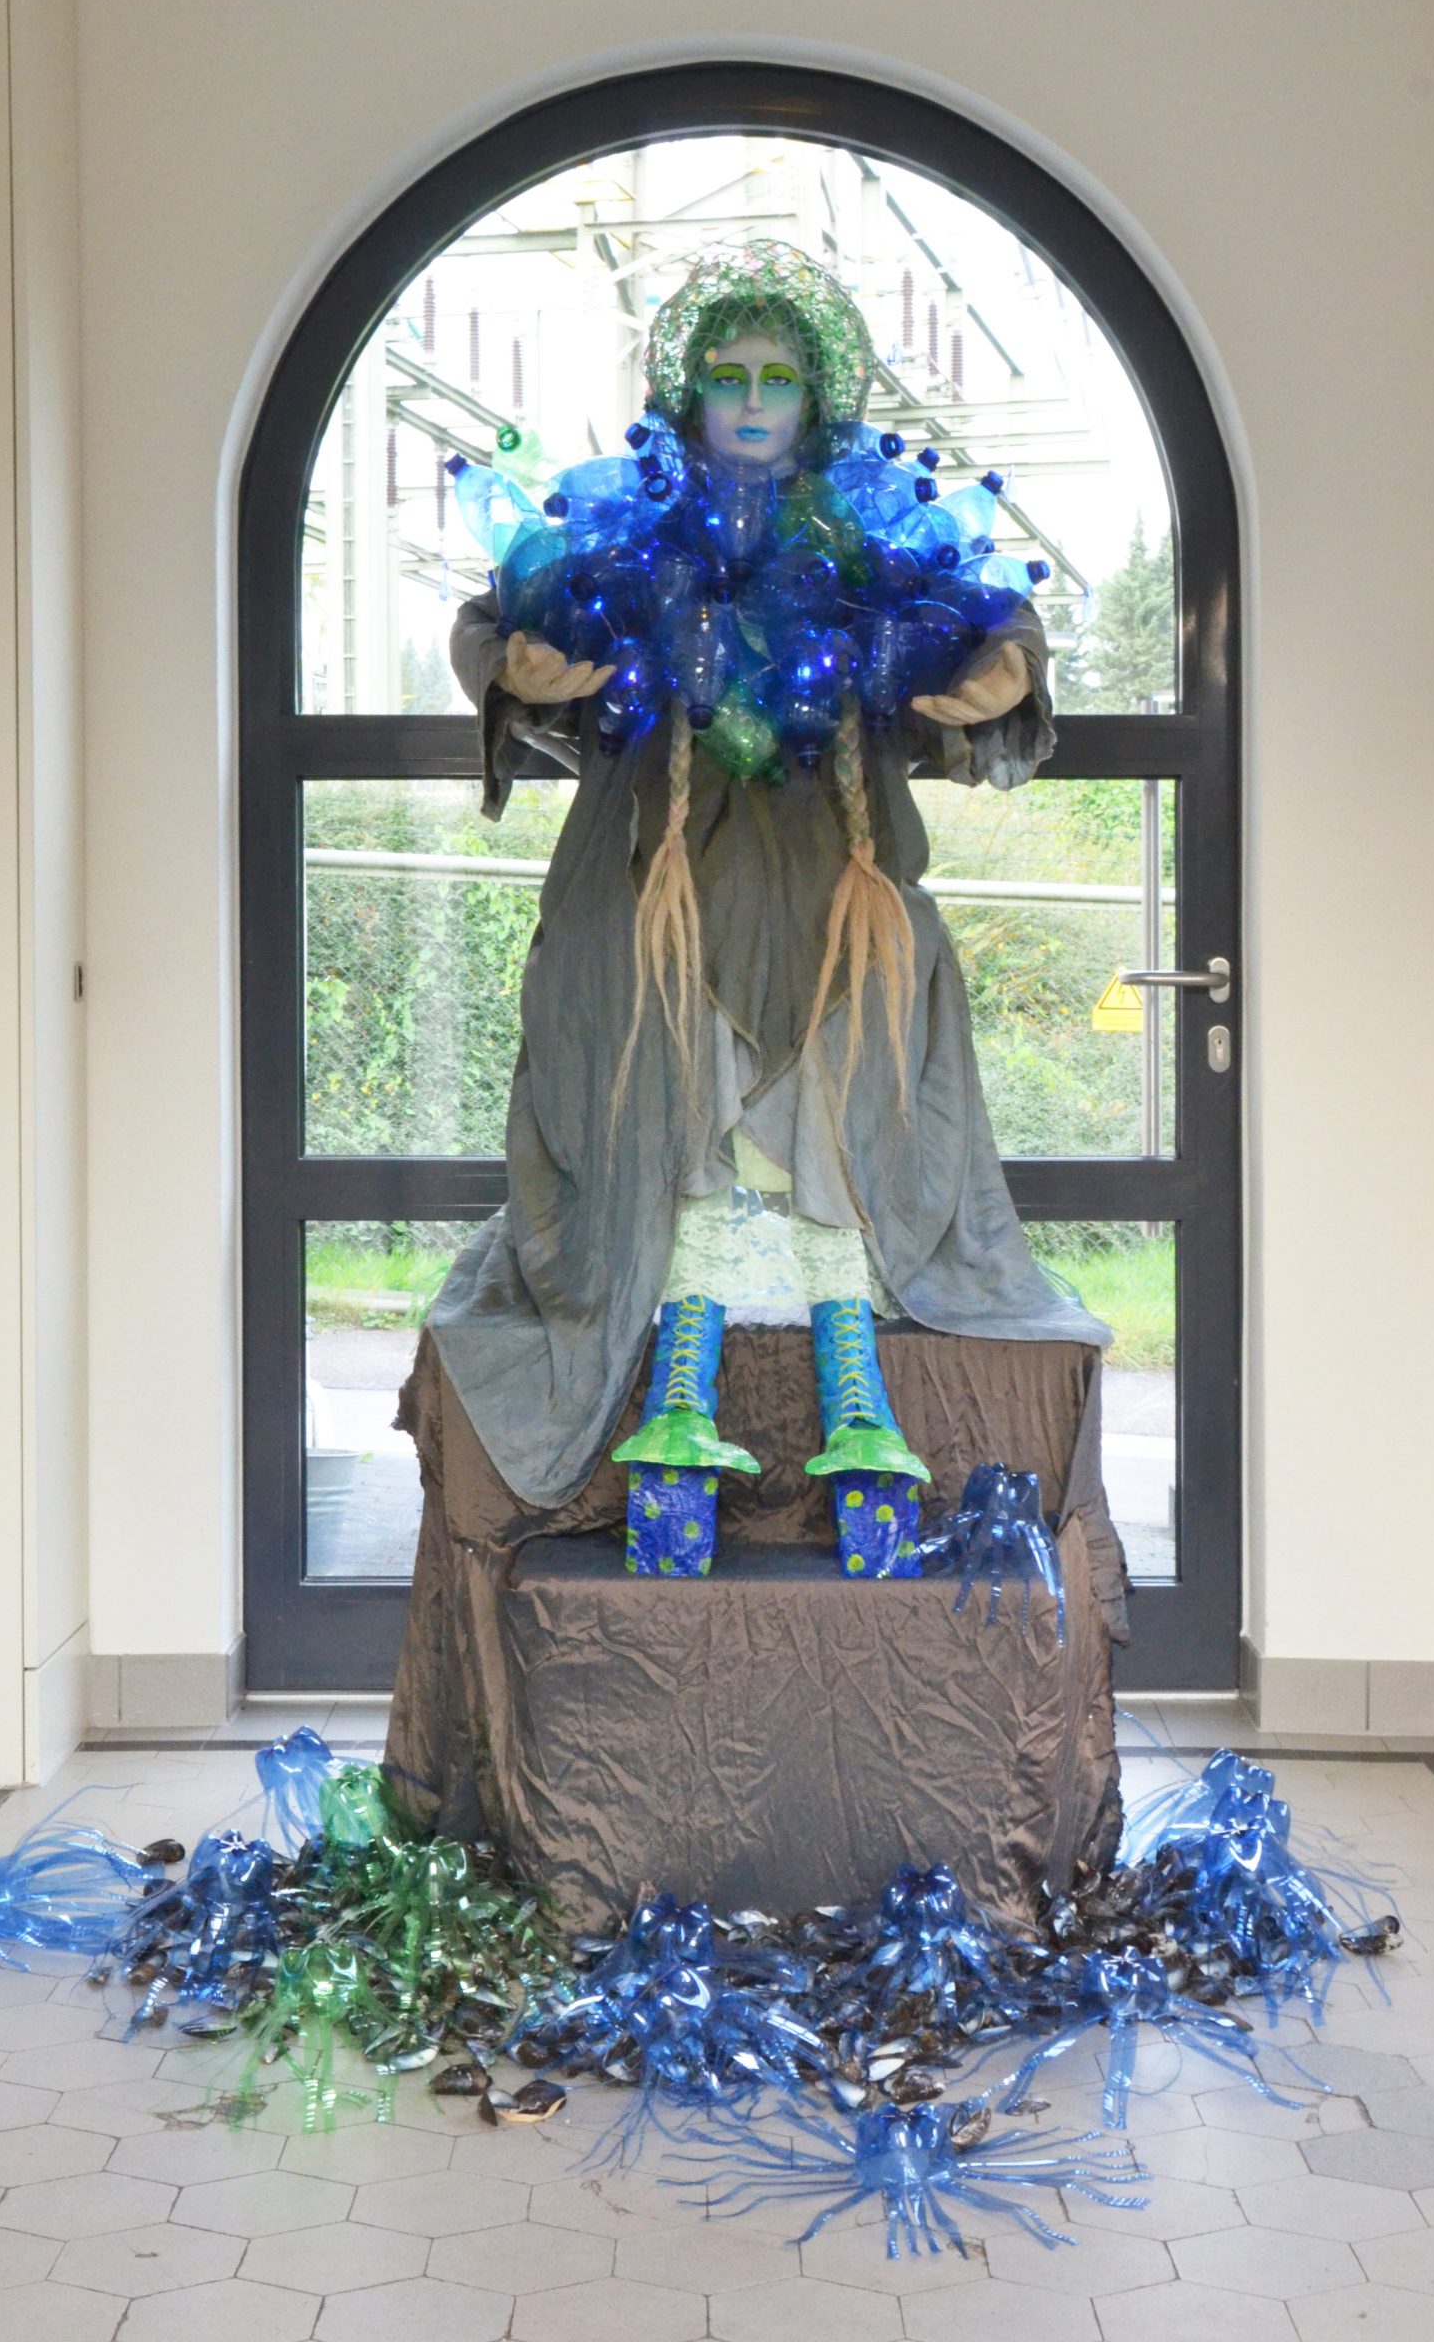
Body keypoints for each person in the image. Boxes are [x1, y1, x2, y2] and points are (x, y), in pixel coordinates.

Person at [432, 240, 1107, 1576]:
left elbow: (991, 618)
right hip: (649, 886)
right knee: (645, 1024)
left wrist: (1003, 673)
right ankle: (678, 1391)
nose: (751, 400)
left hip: (834, 880)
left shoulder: (872, 536)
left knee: (866, 1011)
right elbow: (501, 612)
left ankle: (857, 1397)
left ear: (816, 396)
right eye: (729, 376)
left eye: (778, 377)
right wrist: (513, 663)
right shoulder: (627, 531)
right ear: (690, 394)